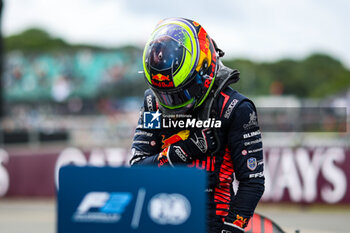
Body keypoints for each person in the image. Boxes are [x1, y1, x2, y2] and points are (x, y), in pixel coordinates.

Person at [130, 18, 265, 233]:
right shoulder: (152, 103)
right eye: (163, 94)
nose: (170, 101)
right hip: (159, 216)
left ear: (204, 69)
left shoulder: (235, 108)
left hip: (213, 220)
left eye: (178, 93)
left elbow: (253, 181)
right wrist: (181, 152)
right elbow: (137, 170)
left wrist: (231, 229)